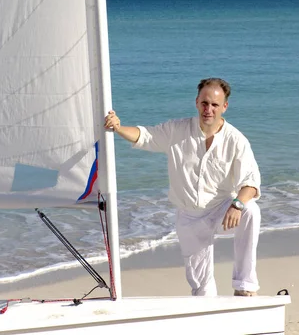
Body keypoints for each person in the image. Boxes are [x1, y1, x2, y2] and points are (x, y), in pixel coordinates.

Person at [104, 77, 261, 297]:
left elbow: (251, 183)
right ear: (197, 102)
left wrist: (237, 204)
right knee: (203, 291)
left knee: (250, 210)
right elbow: (146, 136)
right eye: (205, 103)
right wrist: (118, 127)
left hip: (220, 211)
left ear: (224, 107)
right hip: (189, 218)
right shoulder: (176, 130)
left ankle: (244, 286)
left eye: (215, 105)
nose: (209, 109)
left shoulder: (236, 140)